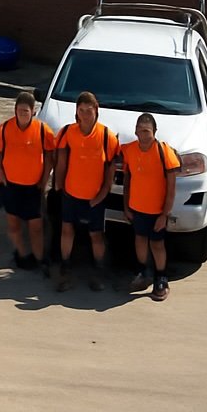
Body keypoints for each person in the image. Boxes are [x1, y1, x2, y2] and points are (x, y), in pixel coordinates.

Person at [53, 91, 121, 292]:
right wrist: (59, 186)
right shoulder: (68, 132)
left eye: (88, 110)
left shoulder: (106, 136)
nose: (84, 114)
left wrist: (102, 194)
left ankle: (98, 272)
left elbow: (110, 168)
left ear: (96, 110)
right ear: (76, 112)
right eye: (81, 110)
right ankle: (65, 270)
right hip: (71, 194)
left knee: (96, 235)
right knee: (67, 230)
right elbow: (62, 161)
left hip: (94, 198)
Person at [0, 91, 56, 274]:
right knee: (14, 225)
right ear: (15, 110)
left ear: (33, 111)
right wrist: (0, 179)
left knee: (35, 227)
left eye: (26, 111)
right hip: (11, 186)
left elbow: (50, 157)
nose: (22, 114)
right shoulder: (5, 129)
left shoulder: (43, 131)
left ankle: (40, 259)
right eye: (20, 110)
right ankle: (22, 255)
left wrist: (43, 181)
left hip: (33, 187)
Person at [120, 113, 181, 302]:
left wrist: (165, 214)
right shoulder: (129, 150)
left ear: (154, 132)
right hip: (137, 208)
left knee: (157, 244)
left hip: (157, 211)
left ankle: (161, 279)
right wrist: (126, 205)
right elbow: (127, 180)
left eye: (147, 131)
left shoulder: (164, 152)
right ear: (135, 131)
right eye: (140, 130)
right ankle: (142, 272)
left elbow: (171, 188)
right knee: (139, 239)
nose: (143, 134)